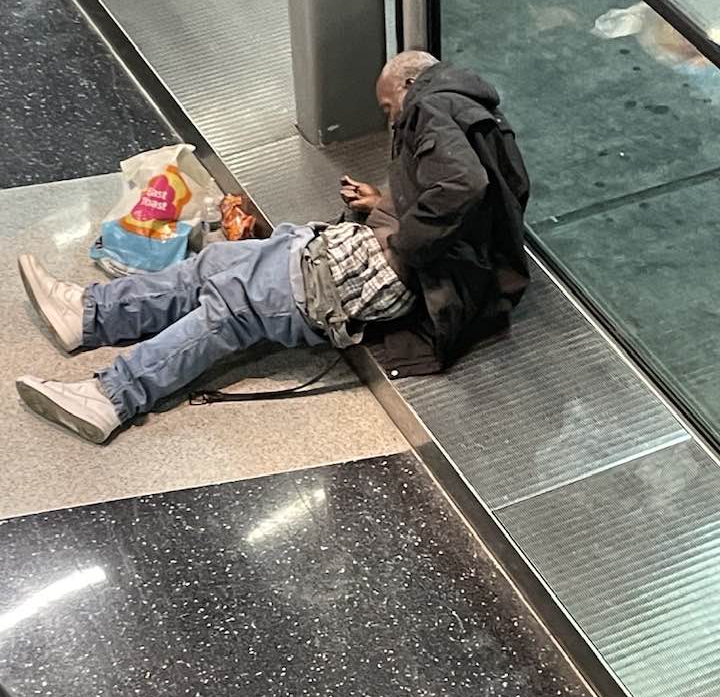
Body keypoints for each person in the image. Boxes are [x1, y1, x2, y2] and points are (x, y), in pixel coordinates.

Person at [16, 51, 530, 444]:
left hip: (390, 267)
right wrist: (384, 202)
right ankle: (89, 313)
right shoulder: (469, 111)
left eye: (388, 106)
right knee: (219, 262)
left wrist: (403, 242)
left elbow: (463, 186)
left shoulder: (430, 102)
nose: (391, 118)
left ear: (408, 82)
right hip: (384, 256)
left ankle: (111, 396)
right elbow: (460, 193)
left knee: (241, 307)